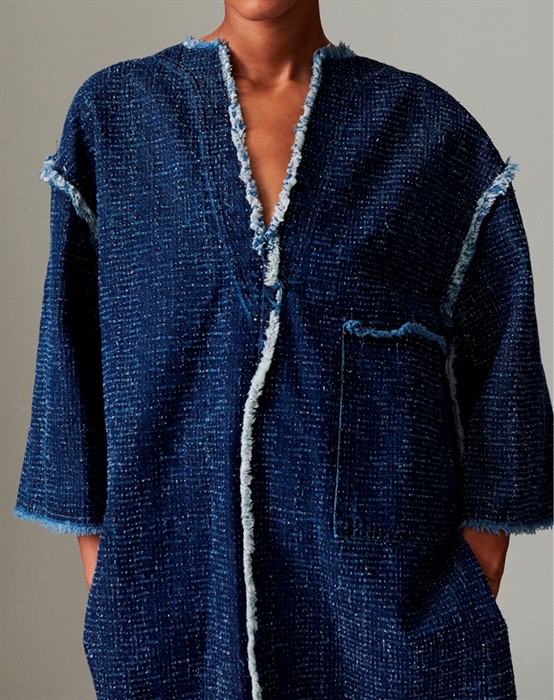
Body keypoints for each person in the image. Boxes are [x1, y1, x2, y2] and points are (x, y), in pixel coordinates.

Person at [13, 0, 553, 698]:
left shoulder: (429, 134)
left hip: (386, 629)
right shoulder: (116, 118)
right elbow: (71, 356)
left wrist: (479, 562)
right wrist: (112, 570)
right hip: (177, 606)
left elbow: (505, 360)